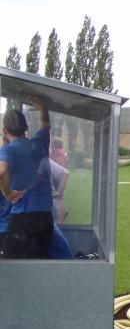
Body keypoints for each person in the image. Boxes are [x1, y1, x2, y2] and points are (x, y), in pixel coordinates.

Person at [0, 101, 53, 259]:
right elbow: (46, 126)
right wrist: (43, 108)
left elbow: (2, 171)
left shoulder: (9, 150)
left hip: (24, 216)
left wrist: (8, 193)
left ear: (4, 130)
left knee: (10, 264)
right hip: (45, 216)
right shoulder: (39, 143)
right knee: (38, 263)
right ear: (26, 128)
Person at [49, 159, 69, 224]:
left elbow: (65, 173)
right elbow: (65, 173)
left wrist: (59, 192)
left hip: (49, 200)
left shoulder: (46, 162)